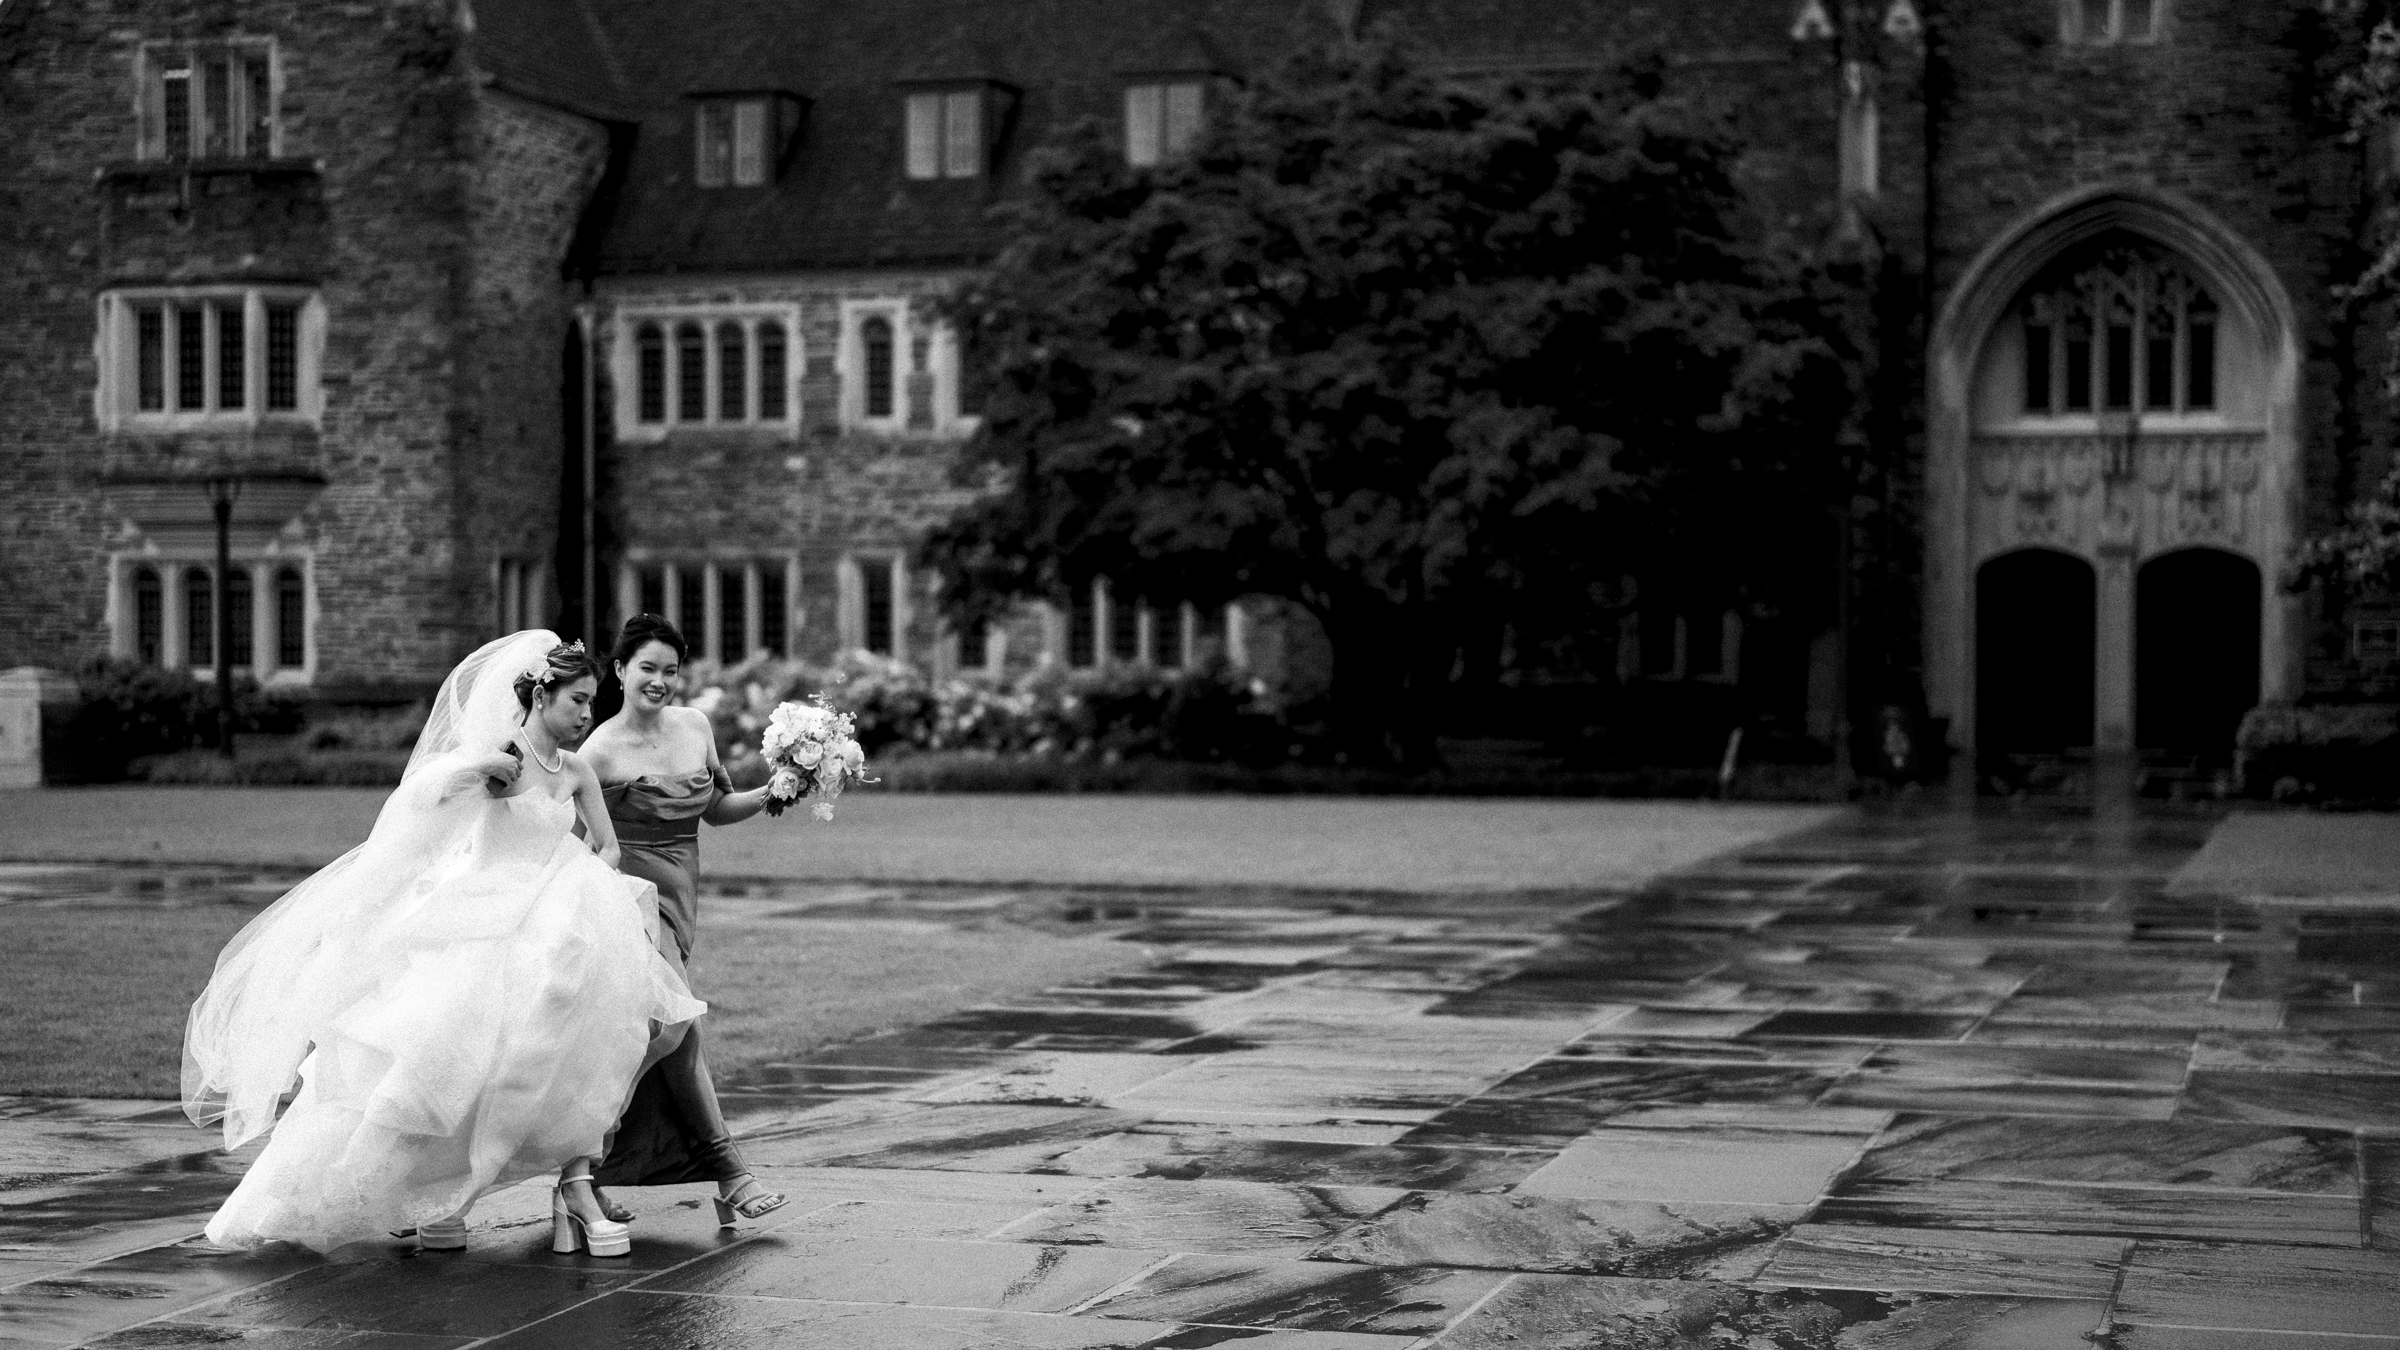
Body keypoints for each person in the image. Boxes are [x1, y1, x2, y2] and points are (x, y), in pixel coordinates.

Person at [182, 633, 704, 1256]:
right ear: (542, 696)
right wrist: (473, 768)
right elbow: (421, 807)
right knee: (440, 1058)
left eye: (593, 703)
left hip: (552, 912)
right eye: (579, 702)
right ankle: (430, 1199)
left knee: (563, 1049)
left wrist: (584, 879)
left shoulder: (577, 770)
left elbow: (609, 845)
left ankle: (561, 1186)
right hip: (480, 918)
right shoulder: (500, 760)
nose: (587, 716)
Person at [578, 614, 787, 1226]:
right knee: (679, 1023)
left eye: (671, 671)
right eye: (648, 668)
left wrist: (781, 789)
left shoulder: (695, 727)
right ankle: (732, 1174)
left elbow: (717, 808)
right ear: (619, 670)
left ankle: (585, 1172)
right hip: (632, 901)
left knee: (648, 1034)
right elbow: (576, 840)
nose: (660, 681)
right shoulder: (598, 750)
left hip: (683, 897)